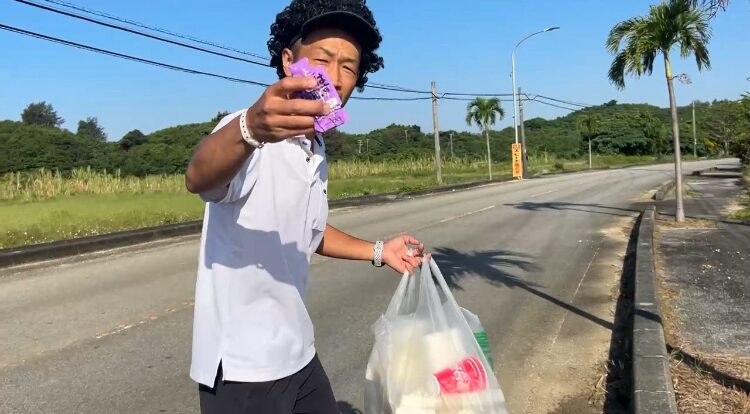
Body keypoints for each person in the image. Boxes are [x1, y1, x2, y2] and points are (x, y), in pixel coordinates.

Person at [184, 1, 424, 413]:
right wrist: (250, 128)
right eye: (322, 60)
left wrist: (380, 251)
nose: (335, 78)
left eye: (349, 67)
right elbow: (199, 178)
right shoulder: (247, 132)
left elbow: (308, 231)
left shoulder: (315, 146)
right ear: (288, 61)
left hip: (298, 352)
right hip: (242, 368)